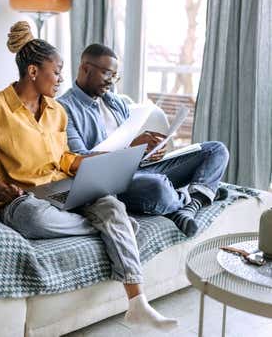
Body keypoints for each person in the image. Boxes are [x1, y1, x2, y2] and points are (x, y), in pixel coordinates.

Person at [0, 22, 177, 330]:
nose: (62, 78)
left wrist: (92, 166)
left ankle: (137, 302)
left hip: (63, 185)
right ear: (33, 72)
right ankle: (110, 229)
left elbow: (62, 157)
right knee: (33, 219)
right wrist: (0, 187)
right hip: (25, 198)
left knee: (111, 205)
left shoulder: (55, 111)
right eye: (57, 71)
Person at [58, 43, 230, 237]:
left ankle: (189, 206)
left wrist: (148, 152)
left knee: (216, 150)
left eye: (115, 76)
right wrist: (132, 148)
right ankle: (200, 195)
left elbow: (129, 145)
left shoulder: (115, 102)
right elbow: (81, 162)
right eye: (107, 74)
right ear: (85, 68)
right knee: (157, 187)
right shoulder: (64, 109)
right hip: (109, 183)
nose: (111, 82)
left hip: (139, 169)